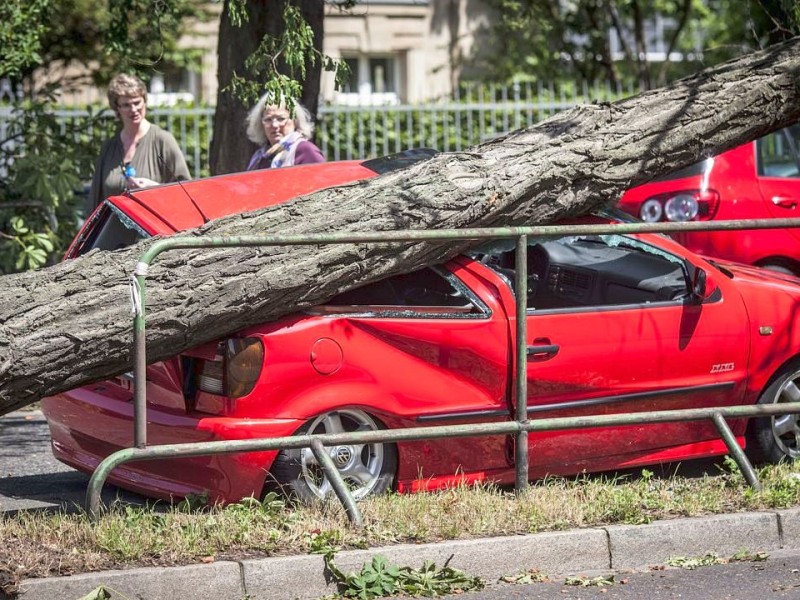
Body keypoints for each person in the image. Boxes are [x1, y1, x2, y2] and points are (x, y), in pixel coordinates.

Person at [87, 73, 190, 215]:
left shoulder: (163, 140)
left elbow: (186, 192)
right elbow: (95, 202)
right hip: (116, 234)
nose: (134, 109)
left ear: (145, 101)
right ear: (116, 108)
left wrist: (154, 188)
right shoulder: (109, 148)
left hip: (155, 233)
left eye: (137, 102)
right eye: (126, 105)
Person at [245, 93, 325, 170]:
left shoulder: (305, 151)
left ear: (295, 120)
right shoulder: (259, 158)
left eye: (281, 119)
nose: (275, 125)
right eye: (268, 119)